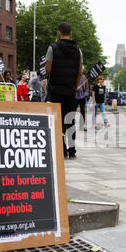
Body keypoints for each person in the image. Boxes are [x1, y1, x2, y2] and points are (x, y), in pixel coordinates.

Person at [45, 22, 83, 160]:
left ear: (58, 33)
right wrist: (74, 85)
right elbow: (80, 71)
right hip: (70, 91)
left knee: (57, 120)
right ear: (71, 33)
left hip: (55, 90)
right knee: (70, 119)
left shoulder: (52, 48)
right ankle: (72, 149)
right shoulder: (78, 50)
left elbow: (48, 69)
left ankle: (61, 149)